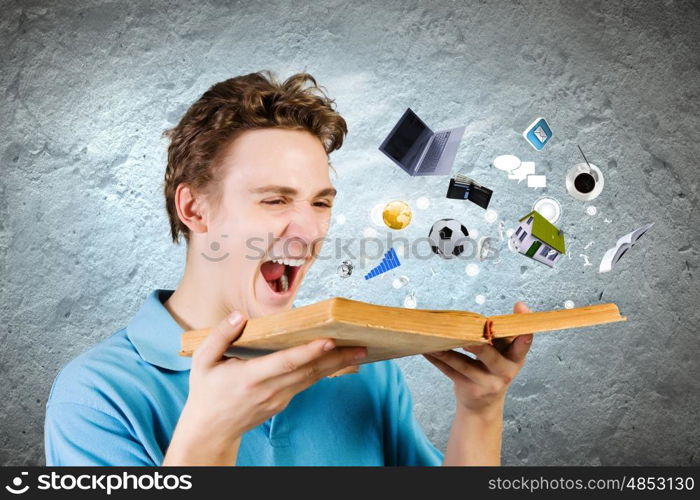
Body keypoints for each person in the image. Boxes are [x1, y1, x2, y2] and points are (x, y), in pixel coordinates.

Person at [44, 70, 533, 466]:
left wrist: (480, 410)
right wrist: (211, 434)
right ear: (194, 210)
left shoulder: (358, 370)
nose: (308, 231)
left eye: (321, 203)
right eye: (275, 199)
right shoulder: (97, 398)